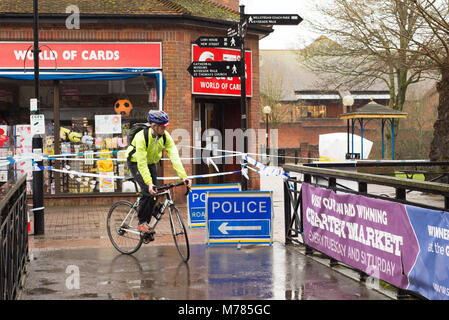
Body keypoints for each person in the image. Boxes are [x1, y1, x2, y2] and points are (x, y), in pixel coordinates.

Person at [126, 109, 191, 233]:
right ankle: (141, 223)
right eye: (162, 127)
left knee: (154, 191)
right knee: (147, 189)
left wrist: (184, 176)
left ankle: (149, 216)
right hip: (135, 162)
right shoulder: (142, 137)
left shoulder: (165, 136)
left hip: (151, 163)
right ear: (154, 126)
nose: (165, 130)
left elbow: (174, 156)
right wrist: (149, 182)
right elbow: (141, 163)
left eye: (166, 127)